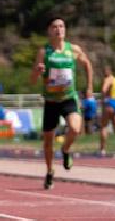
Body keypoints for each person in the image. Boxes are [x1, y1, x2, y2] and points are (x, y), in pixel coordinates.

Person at [29, 17, 93, 190]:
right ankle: (50, 171)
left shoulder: (73, 49)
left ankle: (65, 150)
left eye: (61, 26)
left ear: (65, 30)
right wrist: (37, 71)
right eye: (55, 27)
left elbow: (87, 64)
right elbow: (33, 80)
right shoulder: (44, 52)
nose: (59, 29)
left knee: (75, 128)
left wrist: (89, 86)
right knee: (48, 142)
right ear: (49, 31)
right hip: (51, 101)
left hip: (69, 98)